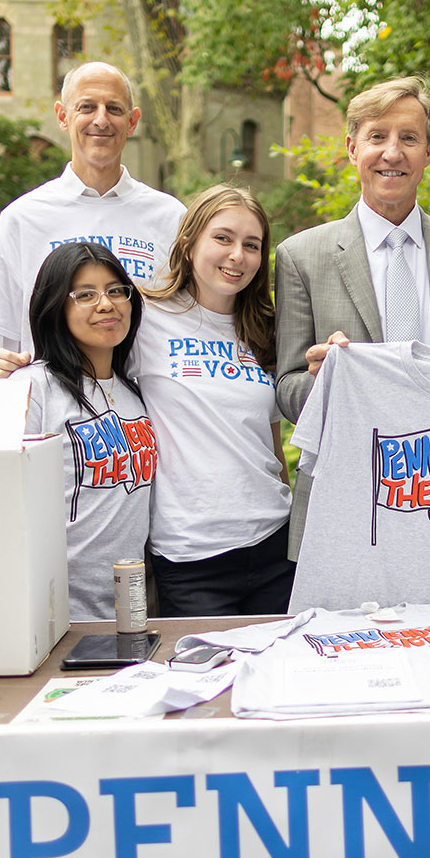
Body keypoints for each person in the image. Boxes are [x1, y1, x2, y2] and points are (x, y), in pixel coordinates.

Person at [273, 75, 430, 558]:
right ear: (353, 148)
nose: (392, 153)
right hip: (345, 504)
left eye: (409, 138)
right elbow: (288, 393)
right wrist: (323, 378)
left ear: (428, 152)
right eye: (378, 137)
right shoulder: (301, 256)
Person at [133, 185, 295, 613]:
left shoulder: (267, 330)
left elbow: (271, 442)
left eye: (251, 245)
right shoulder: (143, 318)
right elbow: (77, 369)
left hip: (276, 545)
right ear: (188, 243)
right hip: (191, 559)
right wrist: (13, 366)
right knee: (207, 679)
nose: (237, 255)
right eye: (223, 238)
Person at [0, 62, 185, 374]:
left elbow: (192, 325)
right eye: (87, 107)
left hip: (150, 413)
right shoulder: (22, 219)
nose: (101, 119)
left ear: (132, 122)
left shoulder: (170, 218)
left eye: (115, 109)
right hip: (53, 414)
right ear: (63, 116)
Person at [17, 242, 159, 621]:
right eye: (85, 294)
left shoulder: (137, 394)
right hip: (56, 614)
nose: (106, 304)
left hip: (129, 609)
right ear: (55, 306)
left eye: (116, 290)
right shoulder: (34, 388)